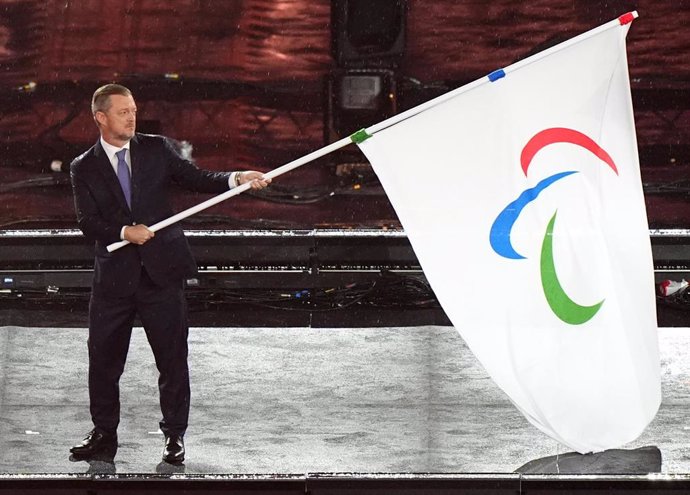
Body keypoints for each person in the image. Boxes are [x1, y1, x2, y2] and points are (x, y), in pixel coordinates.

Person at [69, 83, 270, 464]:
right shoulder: (84, 167)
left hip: (161, 274)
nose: (132, 116)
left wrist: (237, 177)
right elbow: (87, 222)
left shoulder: (157, 148)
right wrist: (125, 233)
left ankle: (174, 436)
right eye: (123, 111)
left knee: (172, 359)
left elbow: (197, 178)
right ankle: (104, 435)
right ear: (100, 117)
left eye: (133, 110)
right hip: (114, 281)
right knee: (104, 360)